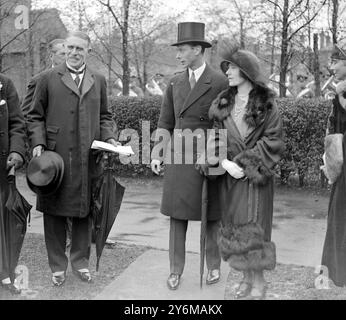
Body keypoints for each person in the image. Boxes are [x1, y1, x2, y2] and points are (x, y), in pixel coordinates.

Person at [24, 31, 118, 286]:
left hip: (89, 156)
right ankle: (57, 266)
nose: (74, 53)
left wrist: (109, 139)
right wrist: (39, 143)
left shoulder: (98, 79)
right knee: (54, 211)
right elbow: (33, 116)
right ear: (65, 49)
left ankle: (80, 262)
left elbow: (105, 115)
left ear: (89, 51)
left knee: (84, 211)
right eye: (71, 48)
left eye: (80, 49)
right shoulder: (47, 79)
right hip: (56, 158)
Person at [151, 22, 228, 290]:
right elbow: (165, 121)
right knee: (178, 216)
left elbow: (224, 125)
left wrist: (214, 155)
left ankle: (214, 266)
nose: (178, 55)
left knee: (212, 214)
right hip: (179, 158)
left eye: (182, 49)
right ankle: (175, 270)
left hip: (208, 157)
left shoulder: (220, 81)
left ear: (197, 49)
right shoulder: (174, 82)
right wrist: (158, 153)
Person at [205, 48, 284, 299]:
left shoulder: (267, 104)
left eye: (233, 68)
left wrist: (244, 163)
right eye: (227, 67)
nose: (227, 72)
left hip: (255, 179)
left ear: (246, 72)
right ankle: (245, 278)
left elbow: (274, 140)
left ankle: (259, 281)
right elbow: (215, 137)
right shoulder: (222, 103)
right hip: (231, 178)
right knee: (235, 228)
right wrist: (225, 163)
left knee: (255, 227)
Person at [321, 44, 346, 287]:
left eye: (336, 62)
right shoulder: (339, 91)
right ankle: (338, 272)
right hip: (342, 163)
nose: (332, 67)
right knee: (339, 213)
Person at [0, 73, 26, 294]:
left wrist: (16, 151)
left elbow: (17, 123)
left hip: (2, 168)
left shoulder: (5, 84)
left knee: (4, 224)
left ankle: (5, 274)